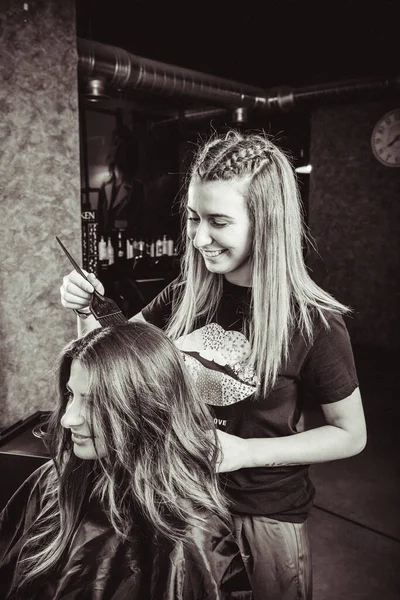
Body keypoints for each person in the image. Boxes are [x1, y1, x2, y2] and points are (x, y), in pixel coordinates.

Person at [60, 129, 367, 600]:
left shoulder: (314, 323)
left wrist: (247, 452)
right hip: (180, 500)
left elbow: (350, 434)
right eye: (192, 218)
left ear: (265, 222)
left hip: (260, 514)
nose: (200, 237)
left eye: (218, 221)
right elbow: (113, 364)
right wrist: (86, 313)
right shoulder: (183, 295)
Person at [0, 321, 252, 599]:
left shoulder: (190, 536)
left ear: (145, 408)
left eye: (94, 401)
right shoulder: (53, 480)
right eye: (71, 395)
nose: (67, 418)